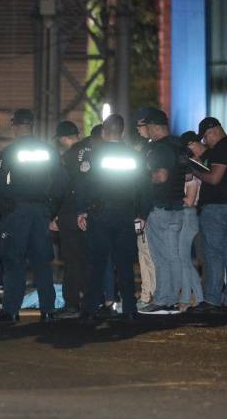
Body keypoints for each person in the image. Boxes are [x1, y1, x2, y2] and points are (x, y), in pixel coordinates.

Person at [0, 109, 66, 324]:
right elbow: (61, 180)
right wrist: (52, 208)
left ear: (16, 126)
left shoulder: (10, 151)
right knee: (42, 262)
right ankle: (47, 310)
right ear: (32, 125)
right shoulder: (47, 151)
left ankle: (10, 311)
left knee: (13, 261)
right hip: (40, 213)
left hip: (17, 213)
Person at [76, 114, 146, 325]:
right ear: (122, 132)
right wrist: (142, 213)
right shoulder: (134, 156)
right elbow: (143, 187)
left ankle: (89, 311)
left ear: (105, 132)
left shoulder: (94, 155)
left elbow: (84, 185)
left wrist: (81, 210)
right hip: (125, 214)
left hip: (101, 214)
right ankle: (130, 310)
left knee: (97, 263)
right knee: (124, 264)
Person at [189, 117, 227, 314]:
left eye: (205, 138)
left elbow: (213, 178)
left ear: (212, 132)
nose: (205, 142)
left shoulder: (222, 147)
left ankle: (212, 300)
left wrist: (195, 171)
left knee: (213, 255)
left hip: (216, 208)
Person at [139, 110, 186, 315]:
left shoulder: (160, 148)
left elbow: (161, 176)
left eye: (147, 127)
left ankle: (162, 300)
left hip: (161, 208)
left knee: (160, 257)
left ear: (154, 126)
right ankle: (171, 300)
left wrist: (140, 178)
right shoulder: (178, 146)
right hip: (176, 208)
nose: (146, 131)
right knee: (172, 256)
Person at [53, 120, 91, 319]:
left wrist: (54, 214)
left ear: (62, 138)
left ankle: (72, 304)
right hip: (94, 212)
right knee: (90, 259)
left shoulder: (67, 157)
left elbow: (60, 189)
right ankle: (93, 301)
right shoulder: (94, 150)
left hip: (70, 214)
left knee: (72, 261)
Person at [132, 109, 158, 307]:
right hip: (144, 209)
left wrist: (143, 212)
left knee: (149, 254)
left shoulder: (153, 151)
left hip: (149, 211)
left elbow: (146, 185)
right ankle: (147, 294)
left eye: (141, 125)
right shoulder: (146, 149)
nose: (138, 129)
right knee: (144, 253)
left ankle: (151, 295)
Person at [178, 131, 205, 310]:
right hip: (188, 217)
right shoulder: (192, 168)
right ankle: (193, 298)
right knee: (184, 259)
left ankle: (191, 298)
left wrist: (172, 196)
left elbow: (189, 200)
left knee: (183, 259)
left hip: (189, 216)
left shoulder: (194, 170)